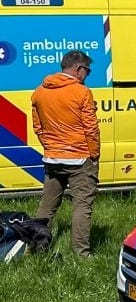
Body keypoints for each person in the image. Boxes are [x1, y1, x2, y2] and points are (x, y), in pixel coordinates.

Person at [31, 50, 100, 257]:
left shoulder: (39, 91)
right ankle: (82, 253)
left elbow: (38, 127)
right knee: (82, 206)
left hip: (53, 158)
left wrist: (50, 146)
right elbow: (91, 128)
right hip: (80, 158)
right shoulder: (82, 92)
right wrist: (94, 153)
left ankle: (36, 248)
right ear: (78, 69)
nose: (88, 75)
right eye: (87, 70)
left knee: (47, 206)